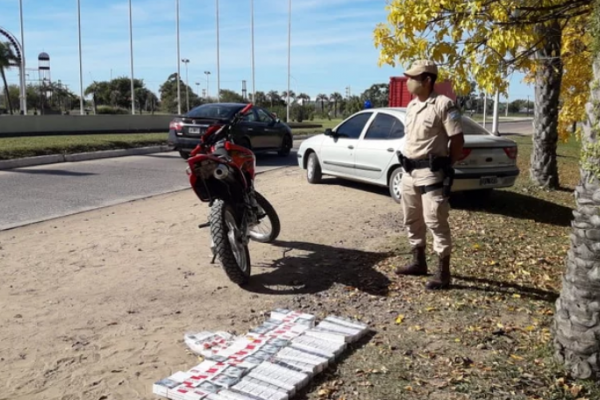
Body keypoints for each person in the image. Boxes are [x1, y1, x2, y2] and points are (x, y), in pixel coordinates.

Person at [395, 60, 465, 290]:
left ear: (427, 80)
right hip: (409, 172)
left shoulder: (445, 105)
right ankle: (418, 262)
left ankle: (443, 273)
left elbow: (457, 140)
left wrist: (447, 165)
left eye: (413, 78)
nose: (408, 82)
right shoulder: (412, 106)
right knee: (411, 218)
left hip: (431, 174)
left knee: (435, 221)